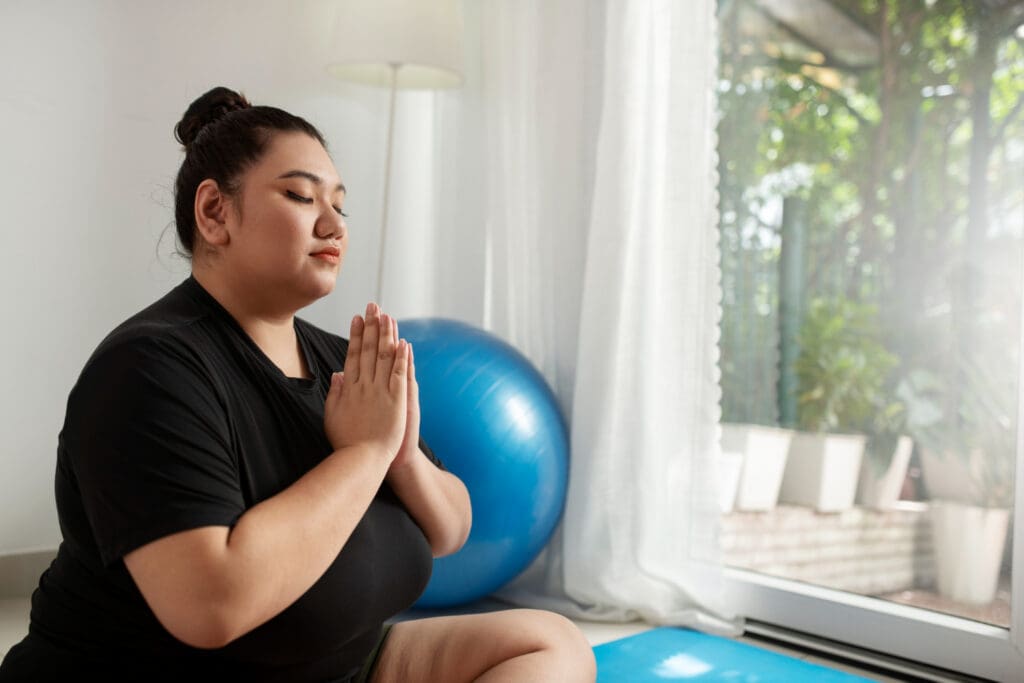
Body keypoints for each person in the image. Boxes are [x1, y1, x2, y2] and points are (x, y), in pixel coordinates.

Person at [0, 87, 596, 683]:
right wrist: (362, 453)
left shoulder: (340, 361)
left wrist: (401, 454)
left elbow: (451, 529)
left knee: (547, 643)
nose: (333, 223)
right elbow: (212, 605)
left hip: (335, 666)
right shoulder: (149, 370)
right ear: (215, 213)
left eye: (340, 204)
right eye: (300, 196)